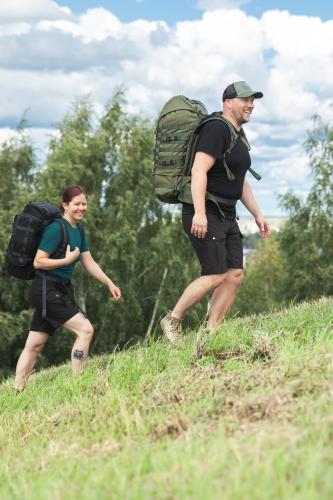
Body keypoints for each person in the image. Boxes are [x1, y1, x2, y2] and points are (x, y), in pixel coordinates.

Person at [160, 81, 270, 347]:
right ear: (228, 102)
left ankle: (210, 334)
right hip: (206, 210)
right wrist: (199, 212)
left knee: (234, 275)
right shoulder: (216, 129)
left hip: (226, 213)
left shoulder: (236, 134)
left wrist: (257, 213)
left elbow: (238, 179)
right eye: (245, 99)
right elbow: (199, 170)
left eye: (253, 100)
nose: (251, 104)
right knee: (215, 274)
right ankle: (173, 319)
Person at [13, 185, 121, 390]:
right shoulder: (56, 228)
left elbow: (88, 261)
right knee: (85, 330)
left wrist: (109, 282)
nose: (82, 207)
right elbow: (38, 262)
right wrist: (66, 260)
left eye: (84, 203)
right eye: (77, 204)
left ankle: (17, 389)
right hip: (46, 289)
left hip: (58, 289)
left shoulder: (78, 229)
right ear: (65, 205)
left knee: (34, 344)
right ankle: (78, 383)